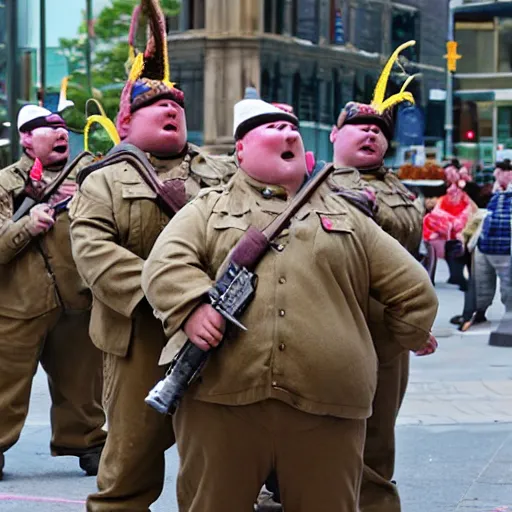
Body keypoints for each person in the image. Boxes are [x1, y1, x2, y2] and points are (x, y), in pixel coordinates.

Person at [141, 96, 439, 512]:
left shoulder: (348, 216)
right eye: (271, 128)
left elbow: (413, 289)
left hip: (328, 404)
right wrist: (193, 307)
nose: (287, 133)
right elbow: (163, 265)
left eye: (292, 130)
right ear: (240, 149)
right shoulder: (208, 209)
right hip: (222, 397)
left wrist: (380, 344)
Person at [68, 1, 235, 510]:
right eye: (155, 107)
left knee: (218, 463)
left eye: (178, 108)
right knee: (130, 466)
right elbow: (95, 254)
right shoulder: (102, 181)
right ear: (127, 121)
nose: (171, 111)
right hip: (138, 336)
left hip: (218, 334)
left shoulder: (224, 174)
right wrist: (181, 301)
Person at [328, 40, 432, 512]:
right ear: (335, 134)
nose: (369, 135)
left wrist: (418, 323)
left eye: (378, 129)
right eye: (358, 127)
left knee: (378, 432)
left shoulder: (403, 191)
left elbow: (417, 262)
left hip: (387, 334)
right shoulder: (310, 183)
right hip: (329, 324)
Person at [0, 104, 106, 479]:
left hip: (77, 299)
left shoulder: (92, 177)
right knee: (5, 383)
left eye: (63, 127)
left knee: (83, 386)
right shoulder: (5, 184)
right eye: (49, 128)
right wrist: (28, 225)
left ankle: (88, 443)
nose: (62, 133)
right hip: (18, 304)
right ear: (27, 138)